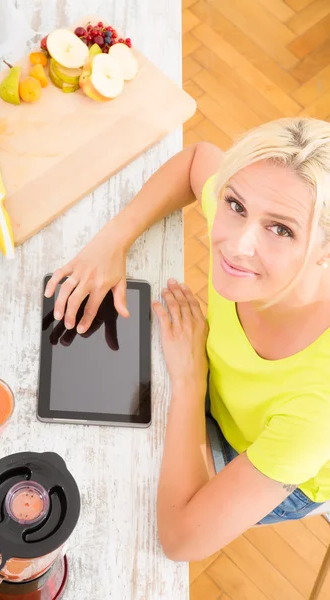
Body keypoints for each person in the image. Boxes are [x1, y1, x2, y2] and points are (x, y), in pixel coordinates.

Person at [45, 117, 330, 561]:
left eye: (281, 230)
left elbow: (181, 539)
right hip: (212, 387)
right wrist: (112, 242)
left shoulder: (319, 410)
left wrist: (191, 377)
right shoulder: (259, 203)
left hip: (262, 459)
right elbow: (197, 160)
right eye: (234, 205)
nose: (237, 245)